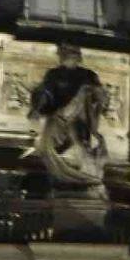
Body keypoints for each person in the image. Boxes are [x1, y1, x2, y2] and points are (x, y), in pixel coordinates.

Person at [29, 43, 109, 194]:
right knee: (49, 145)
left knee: (77, 142)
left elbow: (100, 95)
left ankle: (77, 174)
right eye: (64, 55)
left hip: (79, 117)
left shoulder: (88, 75)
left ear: (77, 57)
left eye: (70, 54)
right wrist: (38, 106)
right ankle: (66, 173)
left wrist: (96, 96)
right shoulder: (53, 74)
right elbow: (46, 92)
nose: (66, 58)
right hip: (57, 115)